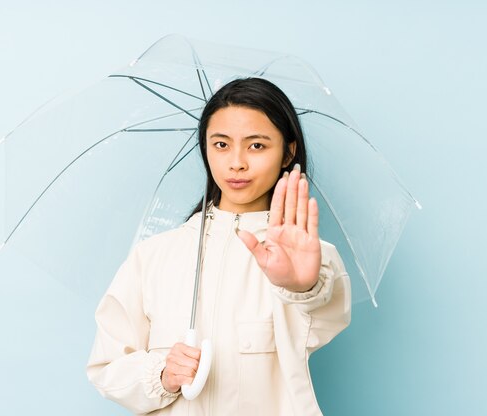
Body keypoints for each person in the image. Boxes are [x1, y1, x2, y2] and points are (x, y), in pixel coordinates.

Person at [86, 77, 351, 415]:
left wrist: (302, 288)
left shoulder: (305, 257)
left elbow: (324, 319)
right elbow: (107, 365)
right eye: (221, 144)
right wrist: (163, 375)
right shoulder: (153, 256)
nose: (236, 162)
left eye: (257, 145)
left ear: (288, 151)